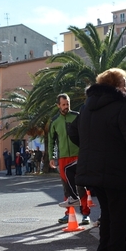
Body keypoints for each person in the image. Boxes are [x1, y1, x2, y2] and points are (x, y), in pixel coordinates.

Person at [68, 68, 126, 251]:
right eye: (124, 83)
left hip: (92, 171)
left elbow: (73, 132)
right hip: (116, 169)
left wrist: (90, 148)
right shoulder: (122, 105)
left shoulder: (87, 107)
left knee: (108, 214)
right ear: (116, 86)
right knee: (119, 216)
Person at [47, 94, 91, 225]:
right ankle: (68, 213)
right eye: (64, 105)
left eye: (68, 104)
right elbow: (51, 141)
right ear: (58, 105)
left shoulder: (77, 116)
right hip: (63, 158)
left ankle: (85, 214)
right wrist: (51, 157)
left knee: (81, 185)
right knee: (67, 187)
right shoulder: (54, 121)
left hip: (78, 156)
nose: (66, 107)